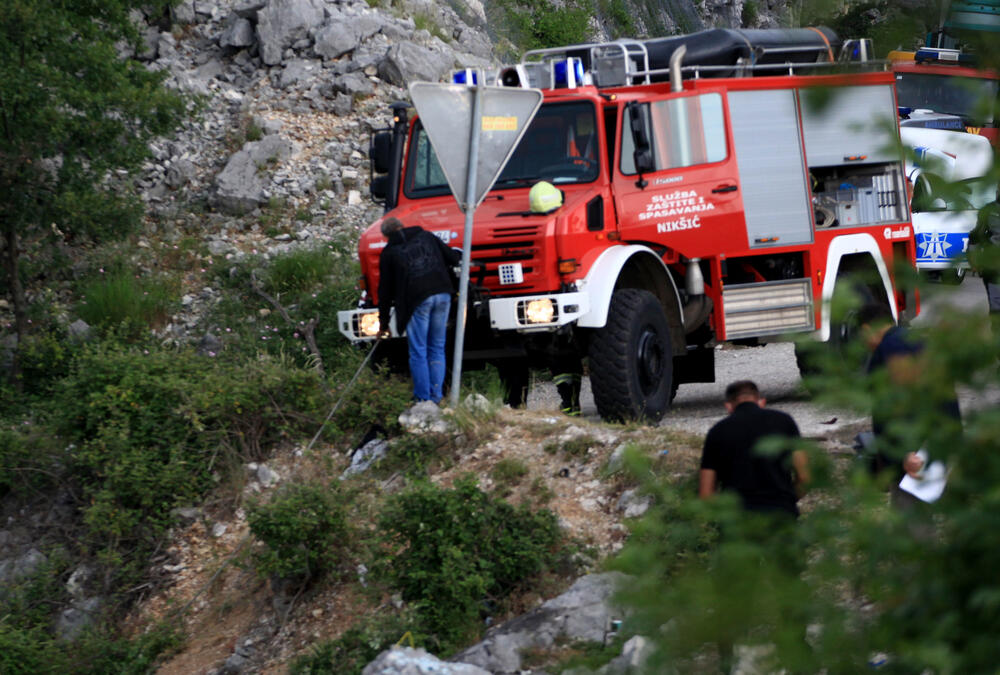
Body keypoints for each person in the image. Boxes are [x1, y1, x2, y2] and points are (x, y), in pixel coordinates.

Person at [858, 303, 961, 507]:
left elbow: (898, 404)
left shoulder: (889, 350)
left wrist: (904, 451)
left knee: (912, 525)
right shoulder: (921, 342)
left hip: (912, 459)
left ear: (866, 330)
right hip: (938, 445)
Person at [377, 217, 461, 403]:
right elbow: (453, 258)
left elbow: (384, 291)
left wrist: (383, 324)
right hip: (443, 294)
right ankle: (437, 396)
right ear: (402, 226)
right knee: (437, 347)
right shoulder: (426, 236)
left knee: (418, 351)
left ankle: (423, 398)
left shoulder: (389, 253)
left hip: (417, 301)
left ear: (386, 236)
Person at [699, 380, 810, 518]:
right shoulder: (784, 422)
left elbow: (706, 495)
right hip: (781, 516)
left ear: (728, 407)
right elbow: (805, 477)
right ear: (761, 402)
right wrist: (786, 502)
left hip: (738, 522)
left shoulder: (717, 432)